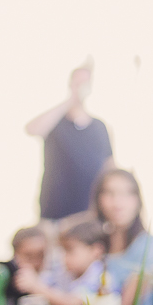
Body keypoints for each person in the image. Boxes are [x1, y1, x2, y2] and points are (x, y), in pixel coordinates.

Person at [24, 63, 113, 222]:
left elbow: (109, 165)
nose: (80, 88)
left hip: (88, 214)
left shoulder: (99, 127)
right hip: (54, 212)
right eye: (77, 83)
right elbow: (32, 129)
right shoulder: (56, 123)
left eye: (84, 83)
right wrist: (69, 101)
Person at [91, 169, 153, 305]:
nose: (117, 203)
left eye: (127, 193)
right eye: (109, 193)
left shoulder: (149, 246)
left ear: (138, 200)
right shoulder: (95, 245)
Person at [14, 216, 106, 305]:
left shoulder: (99, 275)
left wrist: (36, 287)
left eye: (70, 250)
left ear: (96, 251)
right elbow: (48, 284)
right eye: (63, 251)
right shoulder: (67, 273)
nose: (64, 257)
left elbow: (76, 304)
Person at [3, 225, 49, 305]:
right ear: (15, 254)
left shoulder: (51, 275)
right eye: (28, 256)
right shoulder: (5, 276)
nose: (35, 262)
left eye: (41, 255)